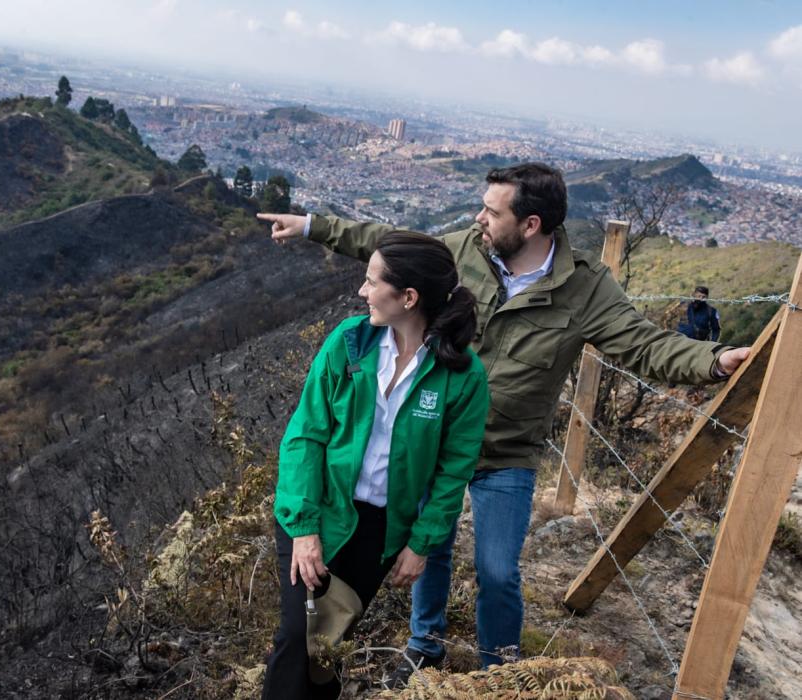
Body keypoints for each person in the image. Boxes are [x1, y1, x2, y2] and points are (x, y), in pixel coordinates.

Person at [258, 162, 751, 685]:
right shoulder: (468, 247)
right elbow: (397, 251)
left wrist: (714, 362)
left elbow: (644, 344)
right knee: (431, 546)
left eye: (493, 211)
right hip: (428, 440)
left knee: (497, 570)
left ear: (531, 224)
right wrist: (314, 226)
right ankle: (424, 644)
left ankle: (500, 673)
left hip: (508, 450)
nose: (480, 218)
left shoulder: (585, 288)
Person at [263, 231, 490, 699]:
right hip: (316, 507)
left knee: (330, 642)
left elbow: (453, 470)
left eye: (371, 282)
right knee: (295, 638)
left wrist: (422, 543)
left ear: (408, 297)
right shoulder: (349, 342)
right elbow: (305, 435)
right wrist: (305, 530)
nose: (362, 292)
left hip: (381, 530)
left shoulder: (463, 375)